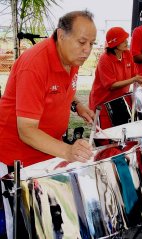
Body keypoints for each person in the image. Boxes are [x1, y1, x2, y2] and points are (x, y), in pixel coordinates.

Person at [0, 10, 97, 239]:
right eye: (82, 42)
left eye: (92, 43)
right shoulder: (35, 64)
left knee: (49, 226)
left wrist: (77, 105)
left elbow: (61, 87)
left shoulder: (72, 58)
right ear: (61, 35)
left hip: (45, 154)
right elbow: (26, 131)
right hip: (14, 159)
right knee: (18, 228)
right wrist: (68, 151)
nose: (88, 50)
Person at [89, 27, 142, 129]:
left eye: (126, 39)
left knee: (123, 137)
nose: (126, 41)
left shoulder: (127, 54)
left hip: (121, 102)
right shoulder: (105, 59)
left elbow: (135, 75)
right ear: (114, 44)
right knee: (106, 139)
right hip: (103, 106)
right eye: (122, 40)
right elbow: (111, 86)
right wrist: (134, 80)